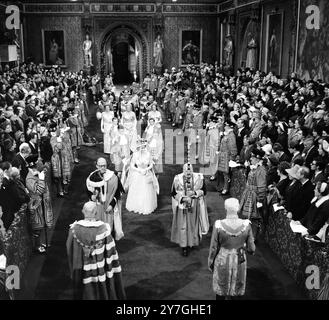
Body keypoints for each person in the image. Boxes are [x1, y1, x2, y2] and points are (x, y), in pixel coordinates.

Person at [66, 201, 126, 300]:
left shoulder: (73, 230)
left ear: (82, 211)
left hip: (82, 271)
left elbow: (70, 251)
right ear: (96, 212)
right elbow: (111, 255)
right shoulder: (104, 230)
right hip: (100, 270)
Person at [208, 198, 255, 300]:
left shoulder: (219, 225)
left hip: (223, 259)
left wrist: (211, 262)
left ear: (226, 208)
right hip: (240, 260)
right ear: (238, 209)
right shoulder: (246, 225)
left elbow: (213, 248)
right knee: (237, 288)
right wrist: (246, 248)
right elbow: (252, 248)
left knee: (221, 288)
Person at [171, 162, 209, 256]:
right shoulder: (177, 178)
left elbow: (204, 190)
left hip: (194, 206)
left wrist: (195, 193)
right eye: (186, 170)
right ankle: (184, 246)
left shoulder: (199, 178)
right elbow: (173, 193)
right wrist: (182, 198)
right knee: (183, 226)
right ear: (183, 171)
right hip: (182, 207)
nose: (188, 172)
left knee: (193, 225)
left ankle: (192, 242)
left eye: (190, 170)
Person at [86, 157, 124, 241]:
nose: (103, 167)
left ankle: (109, 245)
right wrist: (91, 196)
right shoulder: (92, 177)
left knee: (109, 228)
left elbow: (118, 193)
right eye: (100, 166)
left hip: (108, 209)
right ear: (96, 166)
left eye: (104, 165)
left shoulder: (113, 177)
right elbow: (88, 190)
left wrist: (112, 205)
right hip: (97, 207)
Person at [26, 155, 53, 253]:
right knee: (37, 227)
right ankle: (37, 246)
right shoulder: (29, 178)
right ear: (35, 164)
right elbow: (39, 191)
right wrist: (41, 179)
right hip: (36, 206)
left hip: (41, 204)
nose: (40, 162)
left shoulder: (36, 173)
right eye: (38, 161)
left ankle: (40, 243)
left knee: (41, 226)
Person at [124, 137, 159, 215]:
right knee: (136, 189)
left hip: (146, 173)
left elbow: (151, 164)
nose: (143, 147)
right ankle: (136, 205)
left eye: (144, 146)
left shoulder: (148, 154)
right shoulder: (135, 155)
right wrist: (139, 170)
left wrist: (146, 169)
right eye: (142, 146)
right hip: (138, 173)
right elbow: (132, 165)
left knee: (147, 189)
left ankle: (146, 206)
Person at [239, 148, 267, 239]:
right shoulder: (255, 168)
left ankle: (253, 237)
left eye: (252, 158)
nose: (250, 159)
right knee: (248, 216)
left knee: (254, 218)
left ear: (257, 159)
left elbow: (262, 187)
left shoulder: (261, 170)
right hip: (249, 194)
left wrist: (260, 200)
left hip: (255, 196)